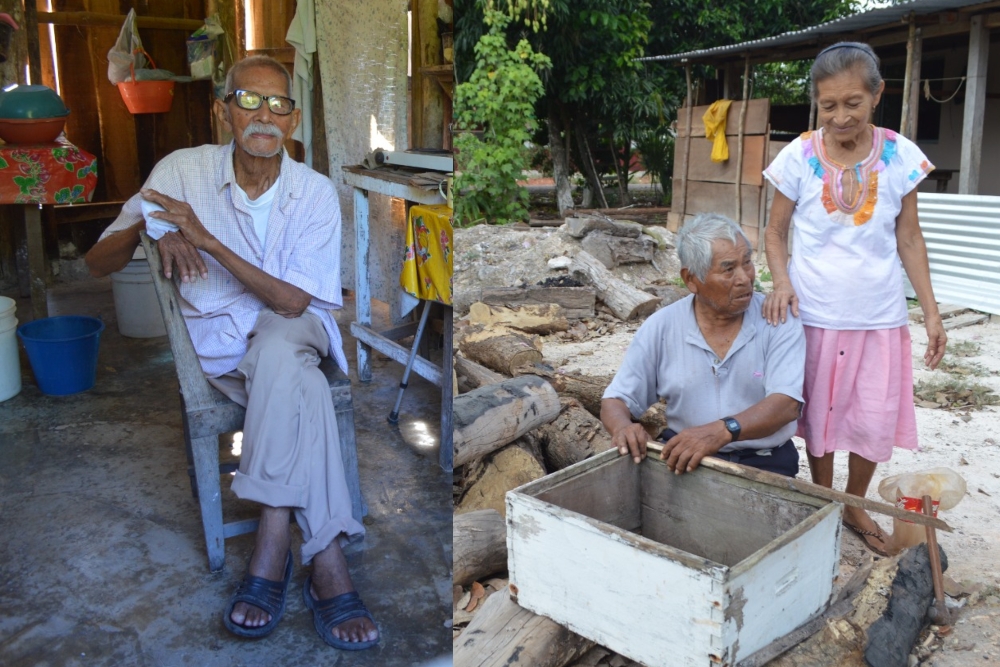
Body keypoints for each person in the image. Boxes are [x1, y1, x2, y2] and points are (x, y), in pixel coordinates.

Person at [84, 55, 379, 649]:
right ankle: (326, 562)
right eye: (249, 101)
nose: (264, 115)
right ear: (224, 110)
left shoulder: (316, 193)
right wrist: (150, 226)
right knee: (307, 389)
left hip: (300, 329)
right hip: (222, 350)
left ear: (293, 120)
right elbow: (97, 263)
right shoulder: (180, 173)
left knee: (278, 336)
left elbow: (295, 304)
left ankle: (271, 544)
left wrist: (206, 240)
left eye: (278, 105)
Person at [762, 42, 946, 557]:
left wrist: (930, 313)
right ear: (816, 104)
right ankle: (825, 500)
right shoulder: (797, 156)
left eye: (852, 103)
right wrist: (781, 282)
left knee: (871, 415)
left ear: (877, 94)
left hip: (880, 315)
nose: (840, 116)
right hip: (814, 314)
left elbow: (909, 238)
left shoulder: (900, 156)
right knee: (819, 415)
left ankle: (854, 502)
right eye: (828, 106)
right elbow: (774, 233)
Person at [601, 213, 805, 477]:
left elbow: (786, 404)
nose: (744, 278)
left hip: (764, 462)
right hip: (686, 462)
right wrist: (622, 427)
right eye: (729, 269)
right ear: (691, 279)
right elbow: (617, 399)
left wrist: (723, 431)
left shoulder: (777, 319)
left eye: (748, 263)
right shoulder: (662, 326)